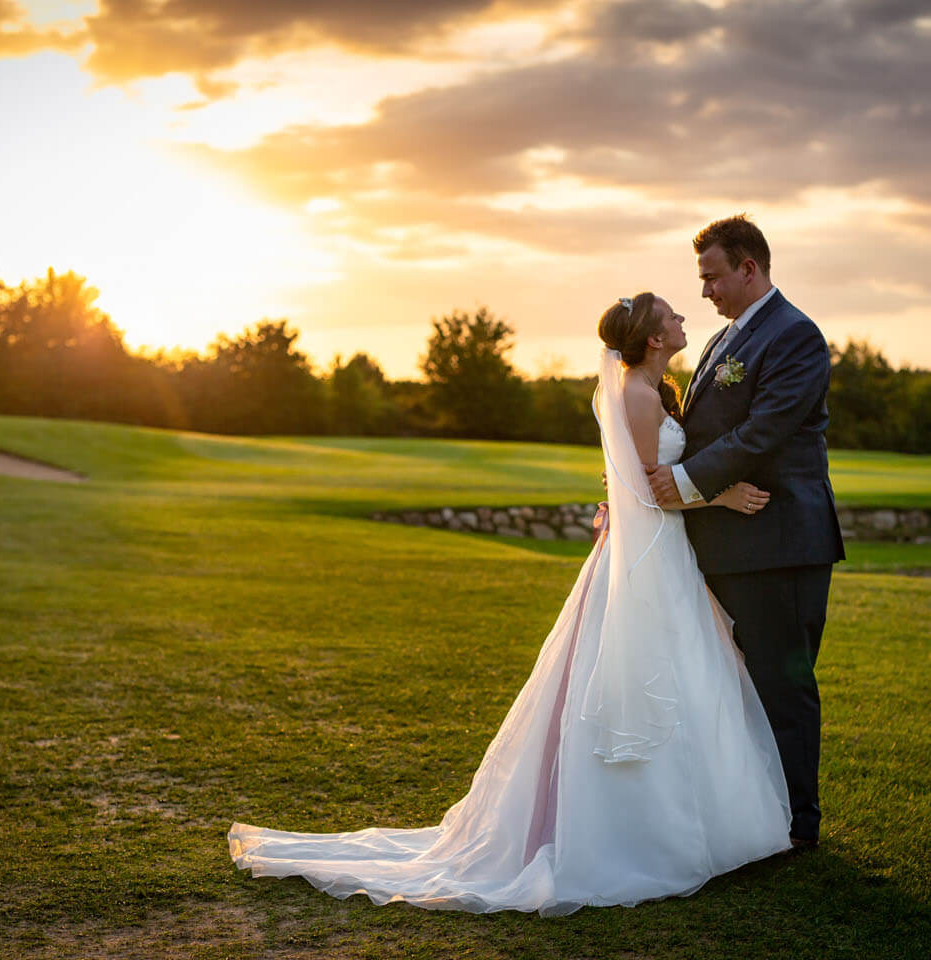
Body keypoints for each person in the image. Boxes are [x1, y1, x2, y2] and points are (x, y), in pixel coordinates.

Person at [228, 291, 794, 915]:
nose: (686, 318)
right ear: (654, 338)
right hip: (648, 555)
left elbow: (629, 482)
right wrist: (723, 497)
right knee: (648, 678)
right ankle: (643, 836)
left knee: (680, 676)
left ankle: (699, 825)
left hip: (660, 554)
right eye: (673, 316)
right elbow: (646, 491)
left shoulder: (651, 390)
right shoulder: (635, 394)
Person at [645, 215, 845, 849]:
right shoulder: (722, 341)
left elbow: (764, 431)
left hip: (780, 541)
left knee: (783, 686)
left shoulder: (795, 336)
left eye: (711, 277)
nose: (705, 292)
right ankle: (755, 817)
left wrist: (677, 485)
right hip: (731, 540)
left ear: (748, 268)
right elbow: (705, 432)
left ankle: (796, 826)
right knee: (738, 688)